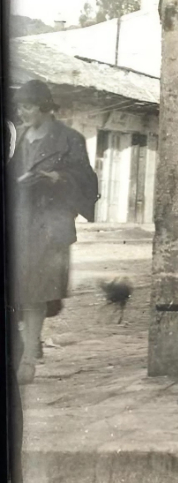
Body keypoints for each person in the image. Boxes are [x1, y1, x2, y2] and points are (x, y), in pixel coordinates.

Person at [10, 80, 98, 384]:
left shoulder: (70, 139)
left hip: (50, 223)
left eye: (29, 106)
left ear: (45, 108)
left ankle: (29, 359)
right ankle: (27, 346)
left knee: (36, 290)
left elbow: (86, 179)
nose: (22, 112)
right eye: (20, 106)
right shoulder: (18, 138)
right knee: (18, 289)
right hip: (19, 219)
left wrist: (57, 176)